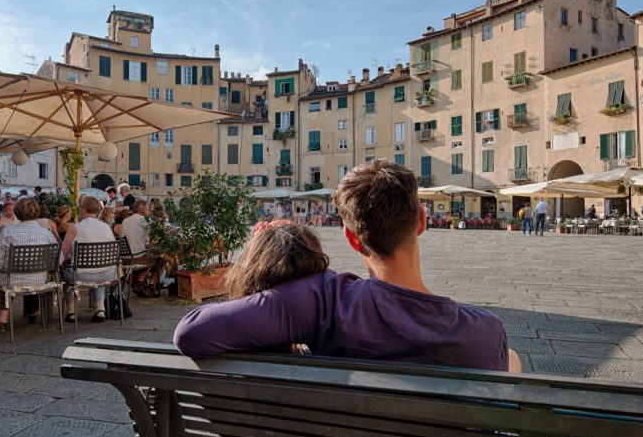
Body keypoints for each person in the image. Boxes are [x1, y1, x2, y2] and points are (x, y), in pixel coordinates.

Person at [174, 159, 520, 372]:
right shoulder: (484, 332)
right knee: (513, 361)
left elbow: (192, 333)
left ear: (352, 238)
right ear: (422, 221)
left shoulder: (323, 302)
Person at [0, 198, 58, 333]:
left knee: (3, 275)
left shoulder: (7, 232)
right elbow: (57, 260)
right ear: (37, 213)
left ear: (17, 213)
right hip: (39, 280)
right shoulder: (47, 234)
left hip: (10, 281)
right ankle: (33, 312)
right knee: (31, 273)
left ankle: (2, 320)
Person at [61, 197, 118, 323]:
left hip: (80, 275)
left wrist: (64, 262)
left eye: (80, 208)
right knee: (98, 271)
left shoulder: (74, 228)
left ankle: (70, 312)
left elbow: (63, 254)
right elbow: (115, 251)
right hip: (106, 274)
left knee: (66, 277)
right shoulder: (106, 227)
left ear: (85, 209)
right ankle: (100, 309)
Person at [120, 199, 159, 297]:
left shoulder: (125, 220)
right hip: (136, 258)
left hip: (124, 258)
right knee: (160, 258)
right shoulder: (143, 220)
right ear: (141, 209)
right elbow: (149, 240)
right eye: (147, 208)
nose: (148, 210)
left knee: (150, 252)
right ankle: (142, 282)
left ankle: (140, 283)